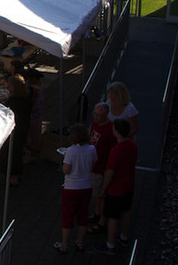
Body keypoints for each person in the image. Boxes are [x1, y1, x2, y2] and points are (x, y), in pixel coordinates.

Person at [95, 118, 138, 255]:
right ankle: (124, 237)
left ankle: (110, 245)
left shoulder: (115, 150)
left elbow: (110, 172)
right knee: (126, 211)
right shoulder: (132, 145)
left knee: (112, 216)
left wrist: (103, 188)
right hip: (129, 185)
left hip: (116, 189)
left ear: (117, 132)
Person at [54, 123, 97, 254]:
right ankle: (80, 242)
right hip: (86, 186)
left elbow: (66, 170)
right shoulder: (92, 149)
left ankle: (64, 244)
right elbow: (93, 165)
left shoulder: (71, 151)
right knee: (82, 216)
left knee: (68, 216)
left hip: (71, 187)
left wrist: (65, 159)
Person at [87, 102, 117, 230]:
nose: (96, 117)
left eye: (99, 115)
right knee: (96, 193)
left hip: (102, 167)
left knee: (101, 195)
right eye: (95, 114)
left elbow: (113, 150)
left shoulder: (110, 129)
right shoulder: (95, 124)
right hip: (94, 166)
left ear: (106, 115)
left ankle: (102, 220)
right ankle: (97, 213)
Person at [4, 74, 32, 187]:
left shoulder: (14, 101)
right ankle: (16, 174)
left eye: (10, 86)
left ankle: (13, 176)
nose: (8, 87)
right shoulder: (27, 96)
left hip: (15, 130)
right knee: (18, 151)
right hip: (23, 127)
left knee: (13, 153)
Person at [25, 68, 44, 158]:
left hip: (34, 114)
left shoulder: (34, 89)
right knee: (35, 134)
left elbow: (31, 101)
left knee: (33, 136)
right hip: (38, 114)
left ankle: (32, 156)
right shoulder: (40, 85)